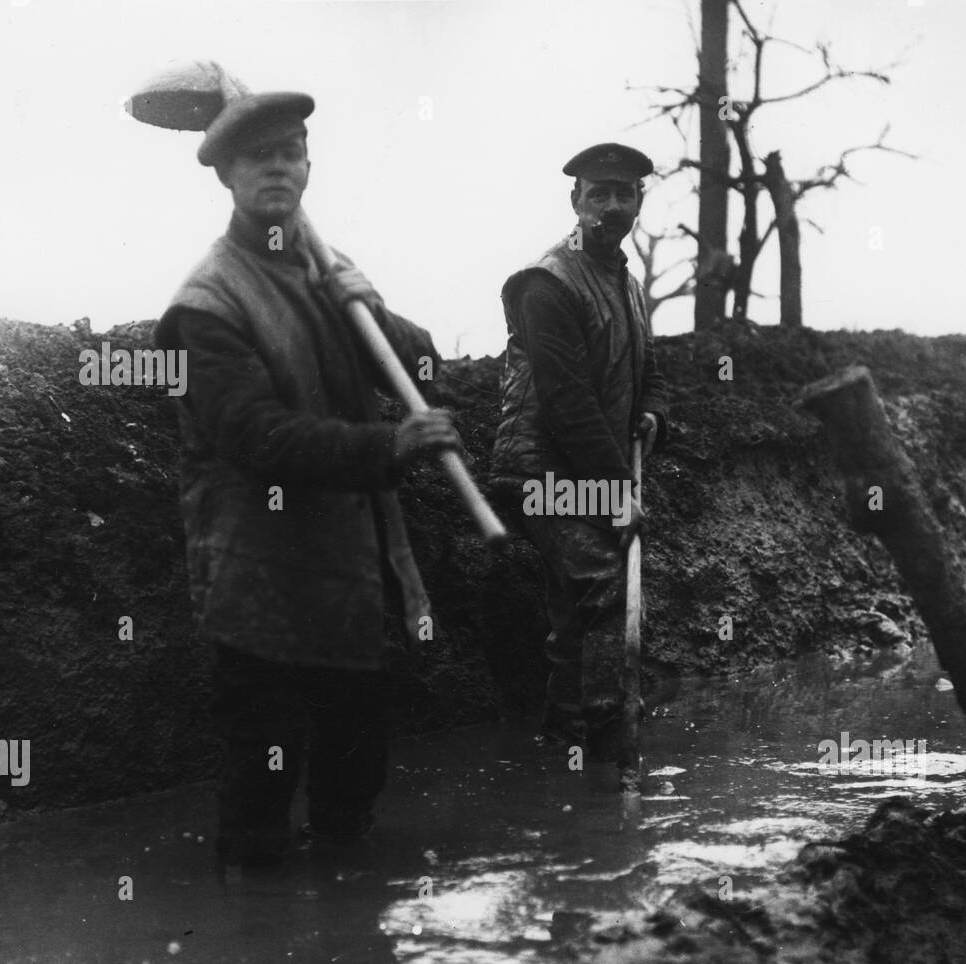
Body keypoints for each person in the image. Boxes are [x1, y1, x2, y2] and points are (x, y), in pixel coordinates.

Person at [153, 88, 463, 869]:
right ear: (225, 174)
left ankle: (345, 948)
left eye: (292, 152)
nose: (279, 168)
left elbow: (424, 369)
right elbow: (257, 437)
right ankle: (255, 948)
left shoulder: (329, 273)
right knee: (261, 789)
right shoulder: (207, 303)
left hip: (345, 576)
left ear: (310, 166)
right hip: (258, 585)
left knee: (353, 781)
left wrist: (376, 313)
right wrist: (390, 448)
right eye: (261, 157)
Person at [489, 143, 669, 769]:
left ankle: (560, 755)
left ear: (639, 203)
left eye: (625, 193)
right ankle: (609, 758)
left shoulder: (629, 284)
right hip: (540, 468)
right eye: (600, 194)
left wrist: (653, 413)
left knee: (573, 612)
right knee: (604, 592)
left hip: (590, 467)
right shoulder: (548, 283)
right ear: (576, 202)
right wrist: (619, 495)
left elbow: (651, 371)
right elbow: (567, 400)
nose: (613, 205)